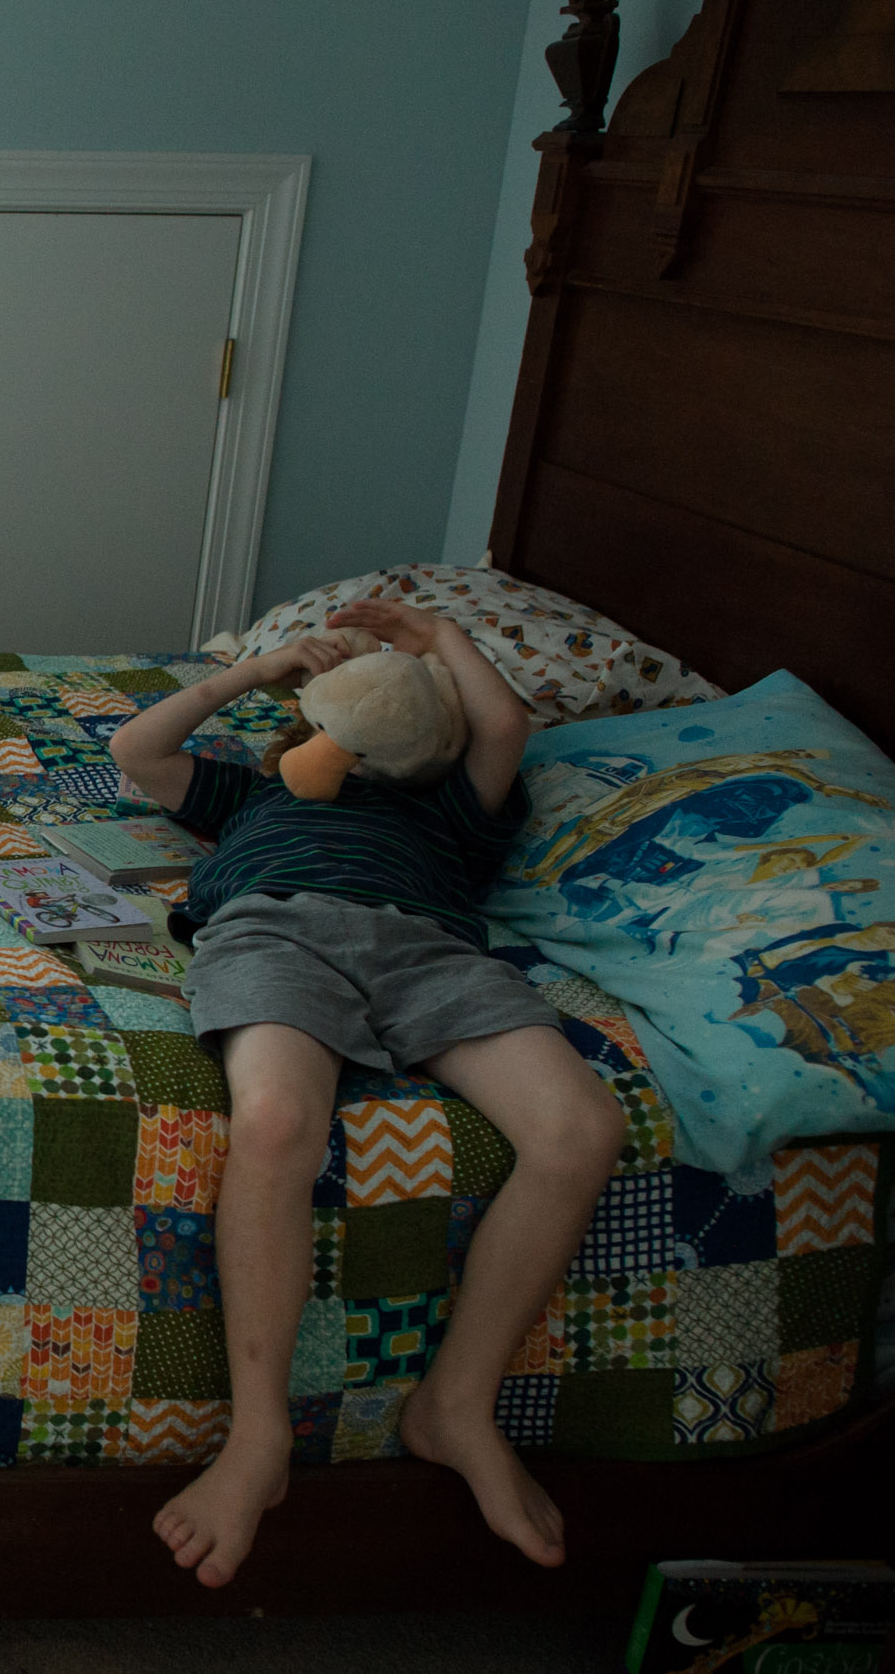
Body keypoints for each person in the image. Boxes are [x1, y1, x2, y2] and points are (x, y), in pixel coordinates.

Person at [105, 599, 625, 1587]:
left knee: (581, 1129)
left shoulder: (451, 810)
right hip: (274, 930)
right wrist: (251, 676)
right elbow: (138, 748)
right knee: (274, 1119)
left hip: (428, 948)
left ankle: (455, 1405)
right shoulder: (261, 795)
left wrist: (436, 643)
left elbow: (507, 725)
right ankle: (258, 1437)